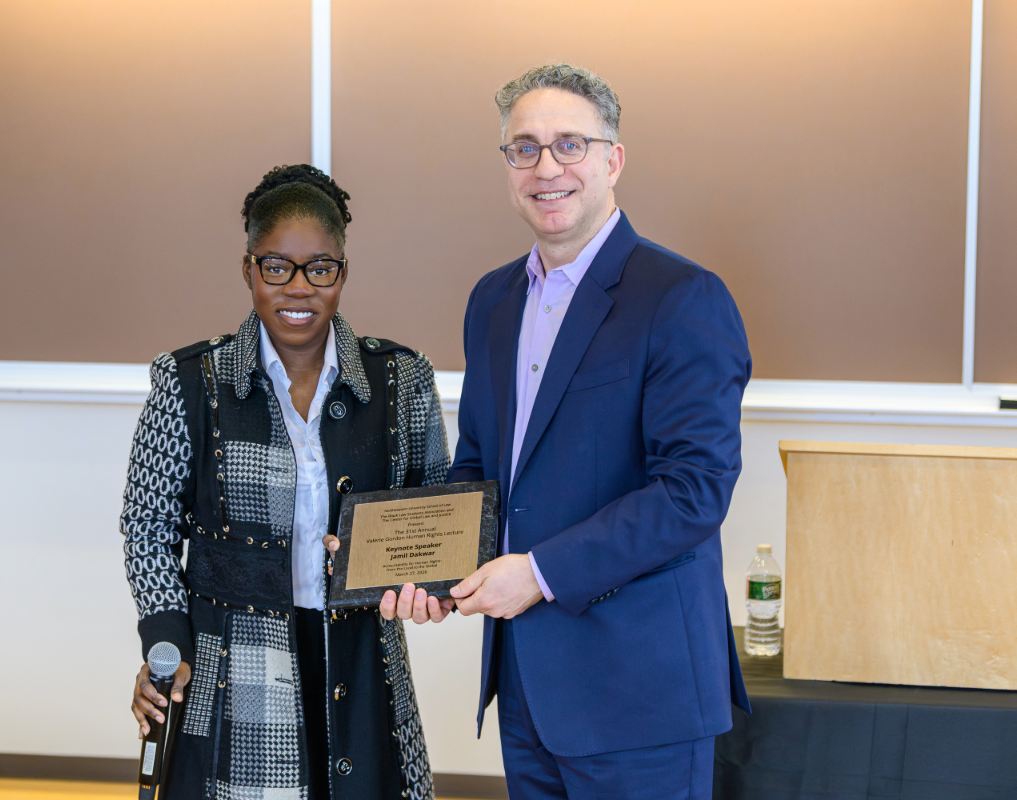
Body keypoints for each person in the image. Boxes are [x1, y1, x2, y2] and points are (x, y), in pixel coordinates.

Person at [444, 64, 753, 799]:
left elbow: (692, 492)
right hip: (526, 688)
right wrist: (414, 561)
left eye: (569, 145)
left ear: (613, 160)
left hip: (639, 694)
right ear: (508, 167)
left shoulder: (682, 298)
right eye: (524, 148)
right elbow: (482, 467)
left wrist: (539, 572)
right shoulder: (493, 300)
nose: (546, 167)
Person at [120, 164, 451, 800]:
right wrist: (165, 637)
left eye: (319, 268)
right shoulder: (191, 380)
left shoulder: (401, 380)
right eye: (277, 267)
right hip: (227, 660)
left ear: (343, 273)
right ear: (248, 269)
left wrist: (426, 583)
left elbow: (434, 512)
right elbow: (147, 526)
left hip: (362, 659)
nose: (298, 288)